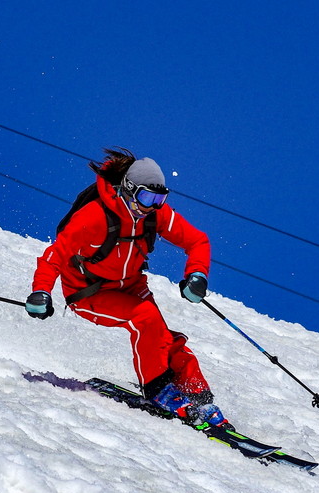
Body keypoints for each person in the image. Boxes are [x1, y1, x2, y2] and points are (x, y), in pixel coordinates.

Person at [25, 148, 232, 429]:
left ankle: (199, 398)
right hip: (89, 292)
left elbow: (198, 241)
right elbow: (54, 256)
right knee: (145, 318)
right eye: (147, 197)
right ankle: (159, 390)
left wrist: (197, 274)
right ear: (129, 189)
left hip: (131, 287)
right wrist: (42, 292)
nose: (152, 206)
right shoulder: (93, 217)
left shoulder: (155, 215)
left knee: (165, 339)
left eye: (159, 199)